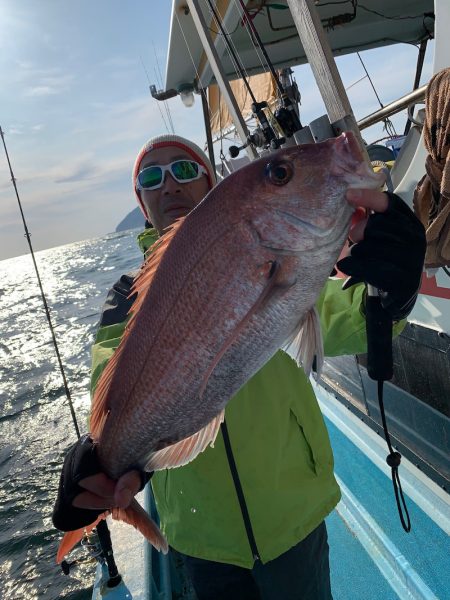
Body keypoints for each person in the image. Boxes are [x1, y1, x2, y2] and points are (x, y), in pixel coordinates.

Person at [53, 134, 426, 600]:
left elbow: (348, 319)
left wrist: (395, 290)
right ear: (142, 202)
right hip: (200, 535)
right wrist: (95, 460)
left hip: (291, 515)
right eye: (152, 177)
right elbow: (110, 380)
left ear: (212, 184)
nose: (169, 185)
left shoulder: (294, 261)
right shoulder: (125, 298)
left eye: (184, 170)